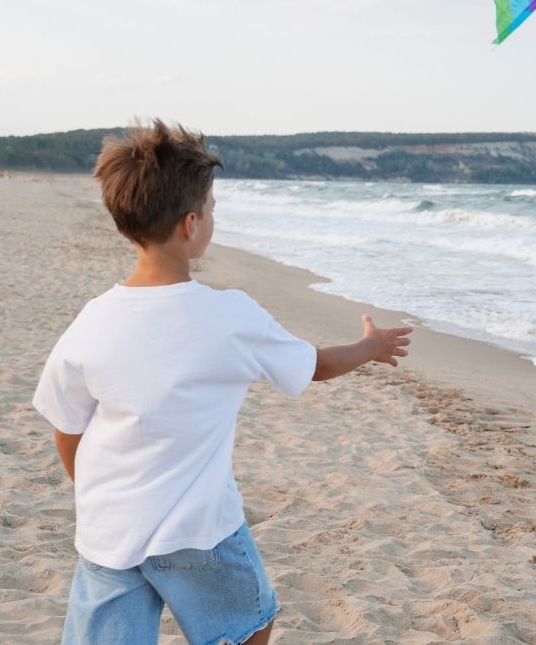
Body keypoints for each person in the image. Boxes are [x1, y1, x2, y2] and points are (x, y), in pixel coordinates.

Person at [31, 120, 411, 645]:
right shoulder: (229, 316)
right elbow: (313, 366)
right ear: (191, 224)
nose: (212, 218)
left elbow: (66, 427)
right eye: (211, 209)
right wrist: (370, 347)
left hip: (107, 530)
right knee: (250, 625)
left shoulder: (91, 320)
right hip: (199, 532)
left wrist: (99, 494)